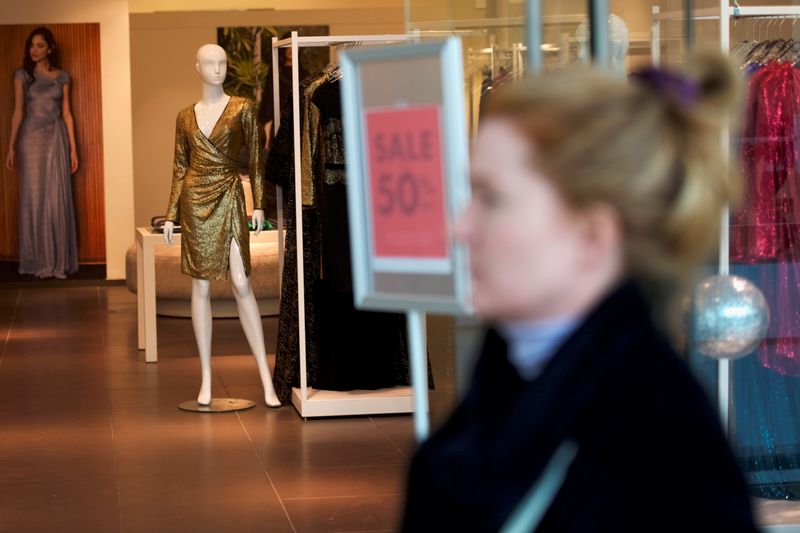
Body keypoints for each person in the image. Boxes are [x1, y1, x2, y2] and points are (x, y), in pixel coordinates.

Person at [401, 55, 760, 531]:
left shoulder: (664, 446)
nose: (459, 228)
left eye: (491, 199)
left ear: (592, 234)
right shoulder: (511, 383)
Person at [163, 43, 279, 408]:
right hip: (195, 202)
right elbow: (180, 168)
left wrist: (258, 204)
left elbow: (257, 161)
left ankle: (266, 380)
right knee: (200, 287)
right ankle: (206, 380)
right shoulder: (184, 117)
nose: (217, 69)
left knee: (242, 282)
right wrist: (171, 214)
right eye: (210, 63)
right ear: (196, 67)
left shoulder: (243, 108)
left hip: (229, 195)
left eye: (222, 62)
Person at [5, 26, 79, 279]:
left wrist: (73, 149)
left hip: (56, 139)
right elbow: (18, 112)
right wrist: (11, 146)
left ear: (50, 48)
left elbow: (67, 114)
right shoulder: (23, 75)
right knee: (34, 198)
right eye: (31, 45)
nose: (34, 50)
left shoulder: (62, 77)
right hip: (30, 141)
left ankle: (57, 261)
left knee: (56, 198)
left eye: (39, 45)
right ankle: (37, 261)